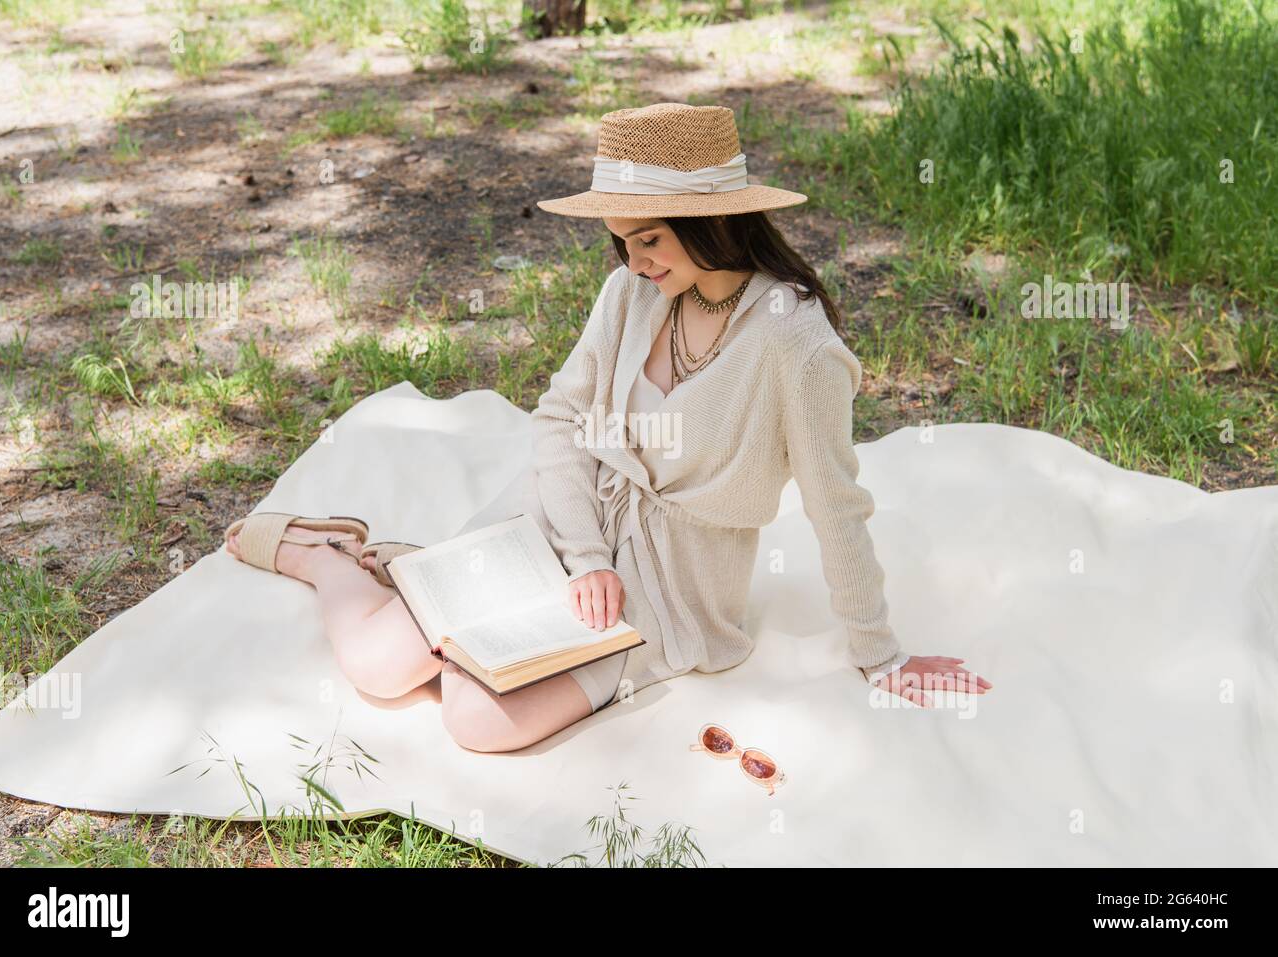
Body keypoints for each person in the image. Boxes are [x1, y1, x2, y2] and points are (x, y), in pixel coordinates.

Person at [223, 103, 991, 753]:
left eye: (649, 237)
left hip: (668, 586)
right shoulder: (632, 290)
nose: (631, 259)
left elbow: (835, 501)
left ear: (713, 220)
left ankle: (427, 580)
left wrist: (881, 656)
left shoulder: (796, 341)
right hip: (570, 514)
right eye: (620, 239)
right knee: (379, 667)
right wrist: (585, 554)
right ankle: (327, 555)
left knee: (477, 718)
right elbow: (561, 418)